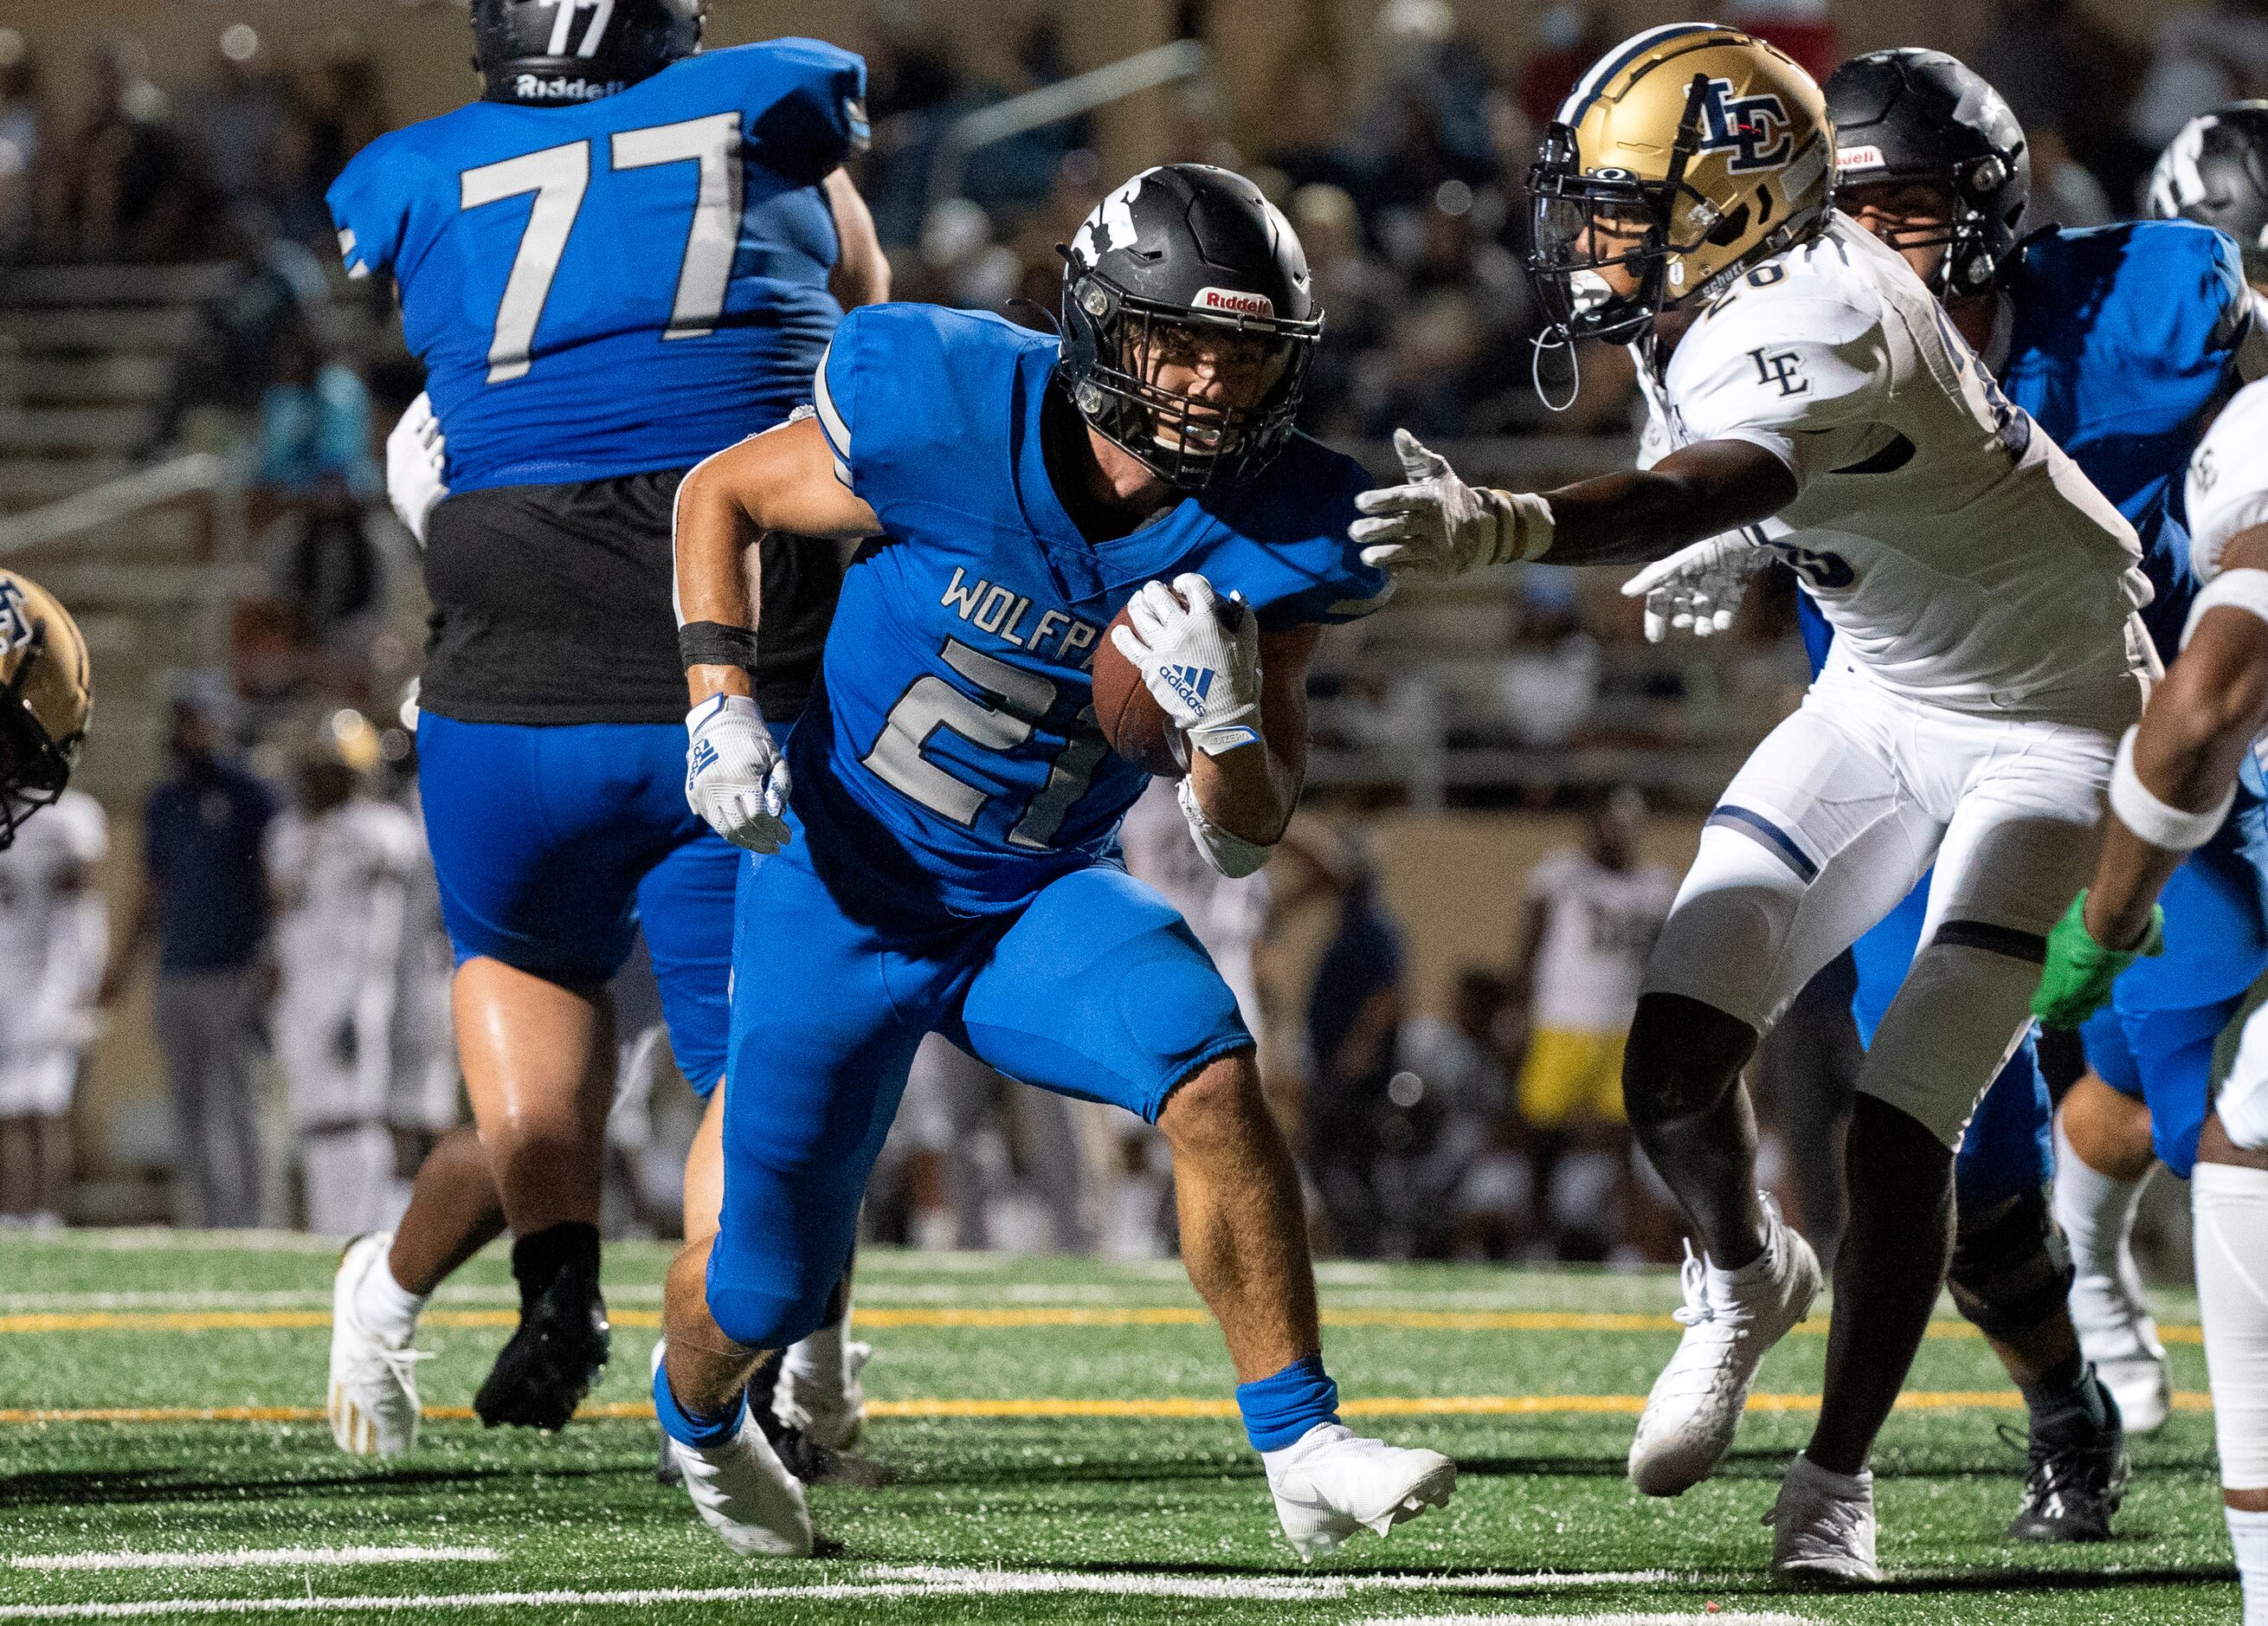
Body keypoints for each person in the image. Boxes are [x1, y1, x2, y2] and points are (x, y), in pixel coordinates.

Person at [1350, 24, 2157, 1581]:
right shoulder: (1721, 293)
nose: (1589, 240)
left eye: (1623, 207)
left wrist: (1514, 524)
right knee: (1669, 1063)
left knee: (1904, 1121)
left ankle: (1836, 1481)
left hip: (2058, 721)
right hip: (1883, 686)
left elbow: (1693, 484)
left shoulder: (1823, 302)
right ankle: (1739, 1275)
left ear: (1733, 201)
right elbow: (1738, 470)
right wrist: (1776, 537)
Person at [660, 162, 1453, 1560]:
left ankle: (1302, 1439)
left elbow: (1248, 829)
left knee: (1210, 1068)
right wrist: (718, 702)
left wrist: (1220, 723)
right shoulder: (942, 397)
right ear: (1103, 322)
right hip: (838, 884)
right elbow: (720, 492)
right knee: (762, 1284)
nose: (1214, 382)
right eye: (1185, 342)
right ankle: (698, 1415)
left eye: (1247, 350)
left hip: (1028, 897)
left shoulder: (1279, 530)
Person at [1633, 48, 2268, 1537]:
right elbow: (1709, 475)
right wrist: (1726, 532)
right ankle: (2062, 1398)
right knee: (1946, 1153)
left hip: (2136, 739)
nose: (1868, 241)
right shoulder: (1766, 334)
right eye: (1840, 210)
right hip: (1909, 746)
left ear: (1984, 206)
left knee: (2209, 1104)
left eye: (1903, 207)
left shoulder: (2149, 303)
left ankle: (2106, 1263)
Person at [318, 0, 887, 1457]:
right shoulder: (771, 114)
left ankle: (562, 1287)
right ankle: (733, 1386)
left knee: (527, 973)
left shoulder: (421, 169)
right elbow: (872, 334)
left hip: (501, 630)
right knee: (762, 1077)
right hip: (723, 644)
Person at [2033, 374, 2268, 1626]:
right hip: (2204, 819)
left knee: (2230, 1134)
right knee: (2173, 1112)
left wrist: (2106, 917)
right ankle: (2098, 1285)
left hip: (2183, 802)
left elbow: (2200, 709)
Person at [100, 689, 275, 1229]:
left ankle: (250, 1221)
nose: (183, 733)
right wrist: (124, 967)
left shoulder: (251, 795)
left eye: (193, 721)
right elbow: (152, 890)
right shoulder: (163, 801)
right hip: (178, 969)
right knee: (190, 1102)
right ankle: (203, 1218)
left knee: (239, 1100)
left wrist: (272, 958)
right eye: (179, 722)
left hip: (235, 967)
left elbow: (273, 885)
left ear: (218, 724)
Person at [264, 711, 422, 1237]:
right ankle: (331, 1223)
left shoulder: (381, 831)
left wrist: (358, 1001)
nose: (317, 779)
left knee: (358, 1113)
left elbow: (380, 927)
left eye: (330, 769)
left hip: (360, 988)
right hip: (303, 988)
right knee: (313, 1117)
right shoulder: (288, 833)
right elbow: (284, 911)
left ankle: (373, 1222)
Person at [1507, 786, 1672, 1258]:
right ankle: (1535, 1237)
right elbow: (1528, 949)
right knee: (1543, 1134)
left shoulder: (1656, 888)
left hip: (1622, 1024)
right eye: (1610, 819)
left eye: (1628, 821)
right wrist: (1518, 1012)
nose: (1618, 831)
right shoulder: (1562, 876)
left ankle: (1625, 1245)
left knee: (1624, 1140)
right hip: (1562, 1020)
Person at [0, 570, 96, 1229]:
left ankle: (36, 1216)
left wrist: (81, 984)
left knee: (34, 1104)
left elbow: (82, 916)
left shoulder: (67, 829)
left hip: (34, 983)